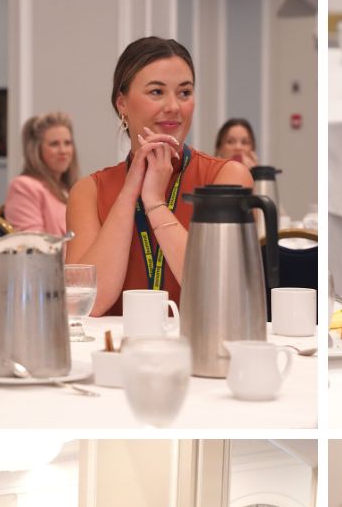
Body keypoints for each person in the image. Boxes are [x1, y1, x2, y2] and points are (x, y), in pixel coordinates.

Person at [67, 37, 255, 315]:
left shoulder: (227, 177)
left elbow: (217, 291)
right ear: (122, 104)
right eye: (156, 92)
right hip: (116, 352)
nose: (173, 107)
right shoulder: (89, 191)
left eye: (184, 93)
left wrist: (154, 203)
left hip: (198, 347)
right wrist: (130, 191)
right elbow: (86, 305)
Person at [4, 111, 78, 236]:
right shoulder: (23, 186)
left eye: (67, 143)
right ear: (37, 150)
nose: (63, 150)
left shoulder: (70, 188)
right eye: (54, 144)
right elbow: (33, 247)